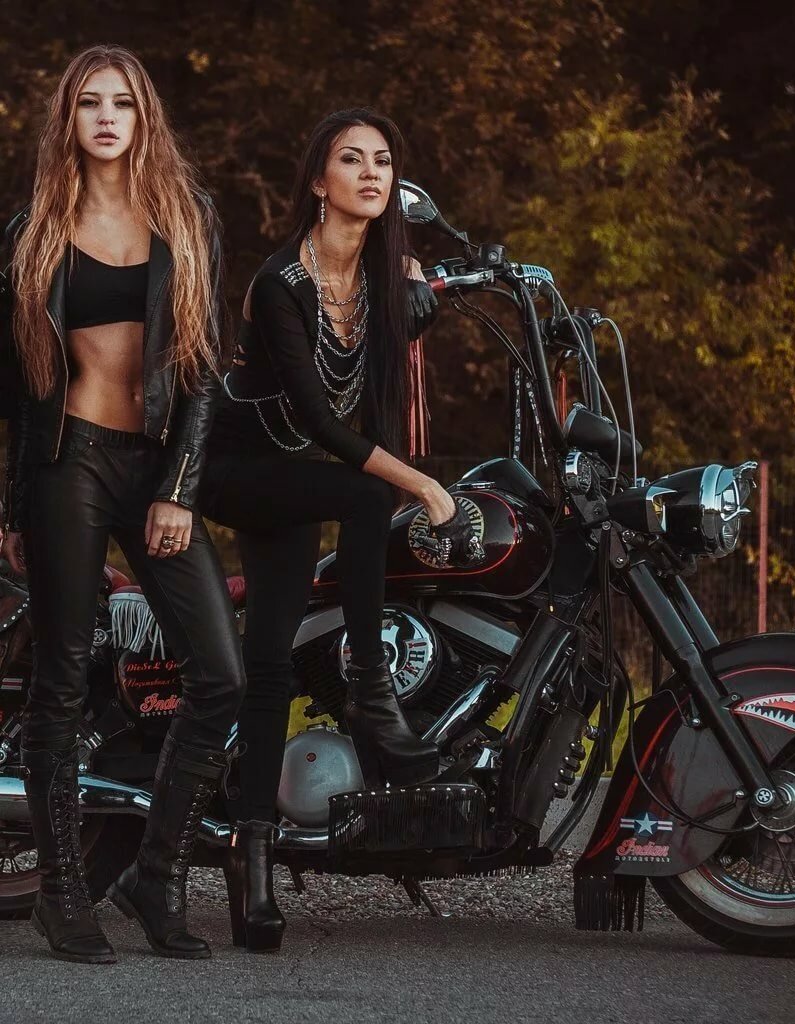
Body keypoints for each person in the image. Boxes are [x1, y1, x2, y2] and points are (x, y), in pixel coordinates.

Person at [200, 108, 481, 953]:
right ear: (318, 182)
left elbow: (382, 362)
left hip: (297, 483)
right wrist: (426, 487)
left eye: (383, 161)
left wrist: (428, 296)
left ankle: (251, 865)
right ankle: (369, 687)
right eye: (349, 160)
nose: (369, 172)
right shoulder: (280, 282)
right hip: (242, 471)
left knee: (272, 663)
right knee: (366, 500)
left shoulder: (383, 283)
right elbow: (326, 423)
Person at [0, 45, 245, 964]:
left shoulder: (187, 217)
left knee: (218, 673)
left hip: (155, 463)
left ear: (145, 121)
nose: (107, 117)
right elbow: (12, 389)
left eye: (124, 104)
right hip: (67, 460)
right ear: (68, 120)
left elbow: (205, 371)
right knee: (62, 678)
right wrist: (13, 505)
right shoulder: (30, 230)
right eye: (90, 104)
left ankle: (156, 875)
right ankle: (64, 894)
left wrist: (181, 488)